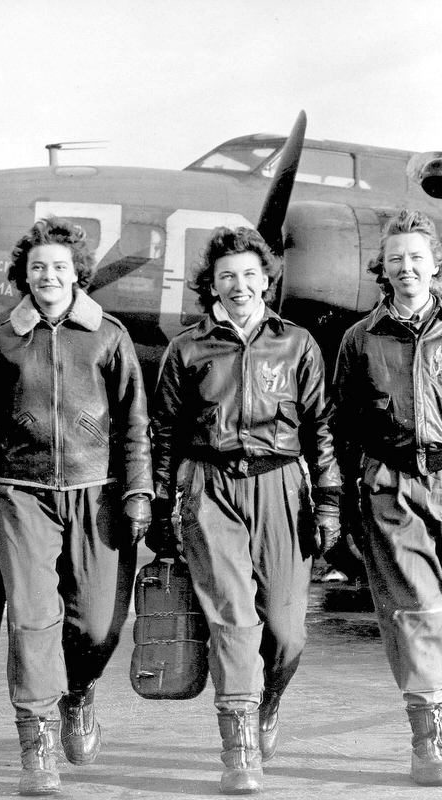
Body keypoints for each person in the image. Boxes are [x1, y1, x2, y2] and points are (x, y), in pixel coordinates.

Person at [0, 217, 153, 796]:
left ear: (77, 273)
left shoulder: (109, 336)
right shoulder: (3, 340)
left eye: (59, 266)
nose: (48, 275)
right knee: (34, 620)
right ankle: (36, 745)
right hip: (24, 494)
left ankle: (80, 691)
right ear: (25, 275)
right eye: (38, 266)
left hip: (99, 493)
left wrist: (138, 492)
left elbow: (135, 424)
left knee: (95, 622)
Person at [149, 226, 341, 795]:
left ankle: (268, 700)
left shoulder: (297, 344)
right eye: (226, 276)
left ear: (266, 279)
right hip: (210, 488)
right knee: (233, 621)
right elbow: (164, 433)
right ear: (211, 284)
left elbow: (321, 428)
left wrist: (327, 502)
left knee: (285, 632)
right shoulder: (186, 349)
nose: (239, 285)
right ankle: (240, 750)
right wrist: (164, 507)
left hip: (281, 486)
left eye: (249, 274)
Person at [333, 208, 442, 786]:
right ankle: (429, 737)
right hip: (393, 486)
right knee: (417, 611)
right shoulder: (359, 339)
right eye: (396, 259)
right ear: (384, 267)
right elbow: (340, 425)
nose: (406, 268)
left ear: (435, 264)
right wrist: (344, 502)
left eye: (416, 257)